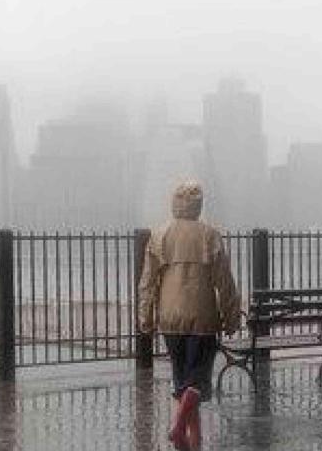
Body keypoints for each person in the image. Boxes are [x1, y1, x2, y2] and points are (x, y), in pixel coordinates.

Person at [138, 180, 241, 450]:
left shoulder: (159, 235)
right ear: (199, 205)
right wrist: (231, 317)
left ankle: (193, 444)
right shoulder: (210, 235)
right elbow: (225, 282)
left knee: (183, 382)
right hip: (203, 320)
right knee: (197, 382)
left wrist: (146, 318)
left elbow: (147, 283)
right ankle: (177, 427)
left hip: (169, 321)